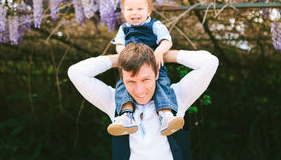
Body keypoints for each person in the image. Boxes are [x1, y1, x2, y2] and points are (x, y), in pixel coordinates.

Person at [68, 43, 219, 160]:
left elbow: (210, 63)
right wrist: (118, 59)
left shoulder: (176, 97)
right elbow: (76, 72)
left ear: (157, 73)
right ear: (122, 79)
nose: (139, 90)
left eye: (145, 79)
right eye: (131, 82)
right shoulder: (116, 103)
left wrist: (162, 55)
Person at [109, 0, 180, 136]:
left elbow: (167, 40)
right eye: (130, 9)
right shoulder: (123, 28)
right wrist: (123, 55)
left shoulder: (155, 25)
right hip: (131, 67)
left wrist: (160, 51)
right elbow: (119, 45)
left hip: (153, 66)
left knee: (161, 84)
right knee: (123, 86)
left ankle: (166, 115)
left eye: (140, 9)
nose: (135, 13)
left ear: (149, 11)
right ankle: (125, 117)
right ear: (123, 11)